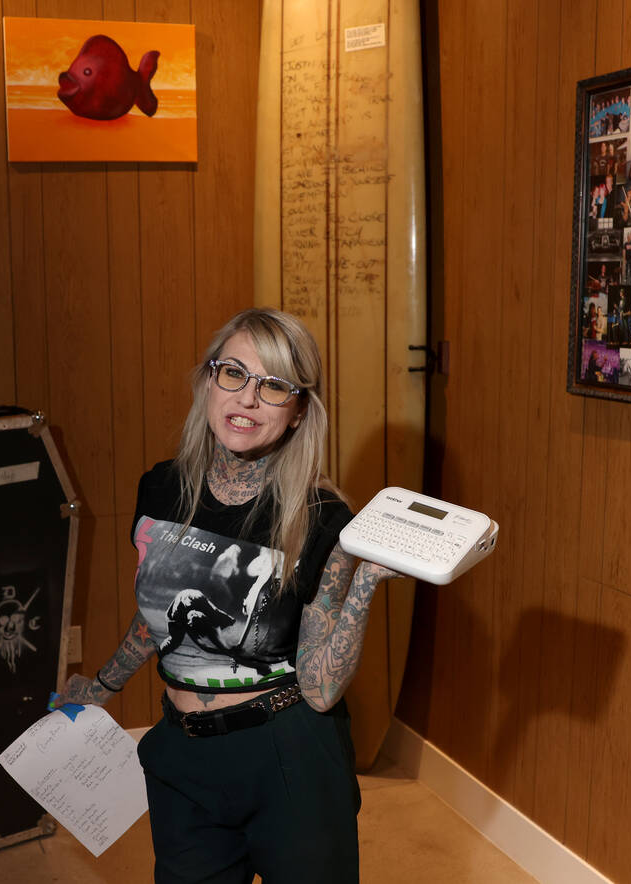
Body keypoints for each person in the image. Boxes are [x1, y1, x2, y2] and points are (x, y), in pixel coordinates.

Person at [51, 308, 401, 883]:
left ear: (297, 413)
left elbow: (319, 688)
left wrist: (364, 581)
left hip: (288, 757)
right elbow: (157, 617)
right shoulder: (160, 487)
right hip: (182, 758)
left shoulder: (324, 519)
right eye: (234, 373)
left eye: (275, 386)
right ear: (208, 382)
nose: (248, 398)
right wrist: (103, 685)